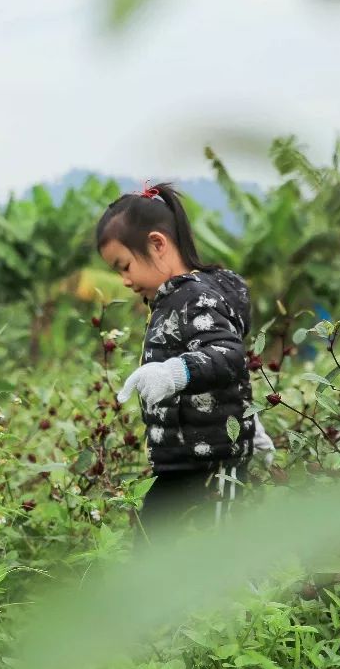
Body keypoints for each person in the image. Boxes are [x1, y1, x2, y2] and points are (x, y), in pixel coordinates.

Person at [97, 183, 256, 538]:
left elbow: (228, 355)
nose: (124, 281)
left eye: (124, 266)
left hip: (212, 463)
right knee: (151, 548)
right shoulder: (170, 302)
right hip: (179, 463)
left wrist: (175, 372)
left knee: (215, 561)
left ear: (157, 244)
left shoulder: (197, 298)